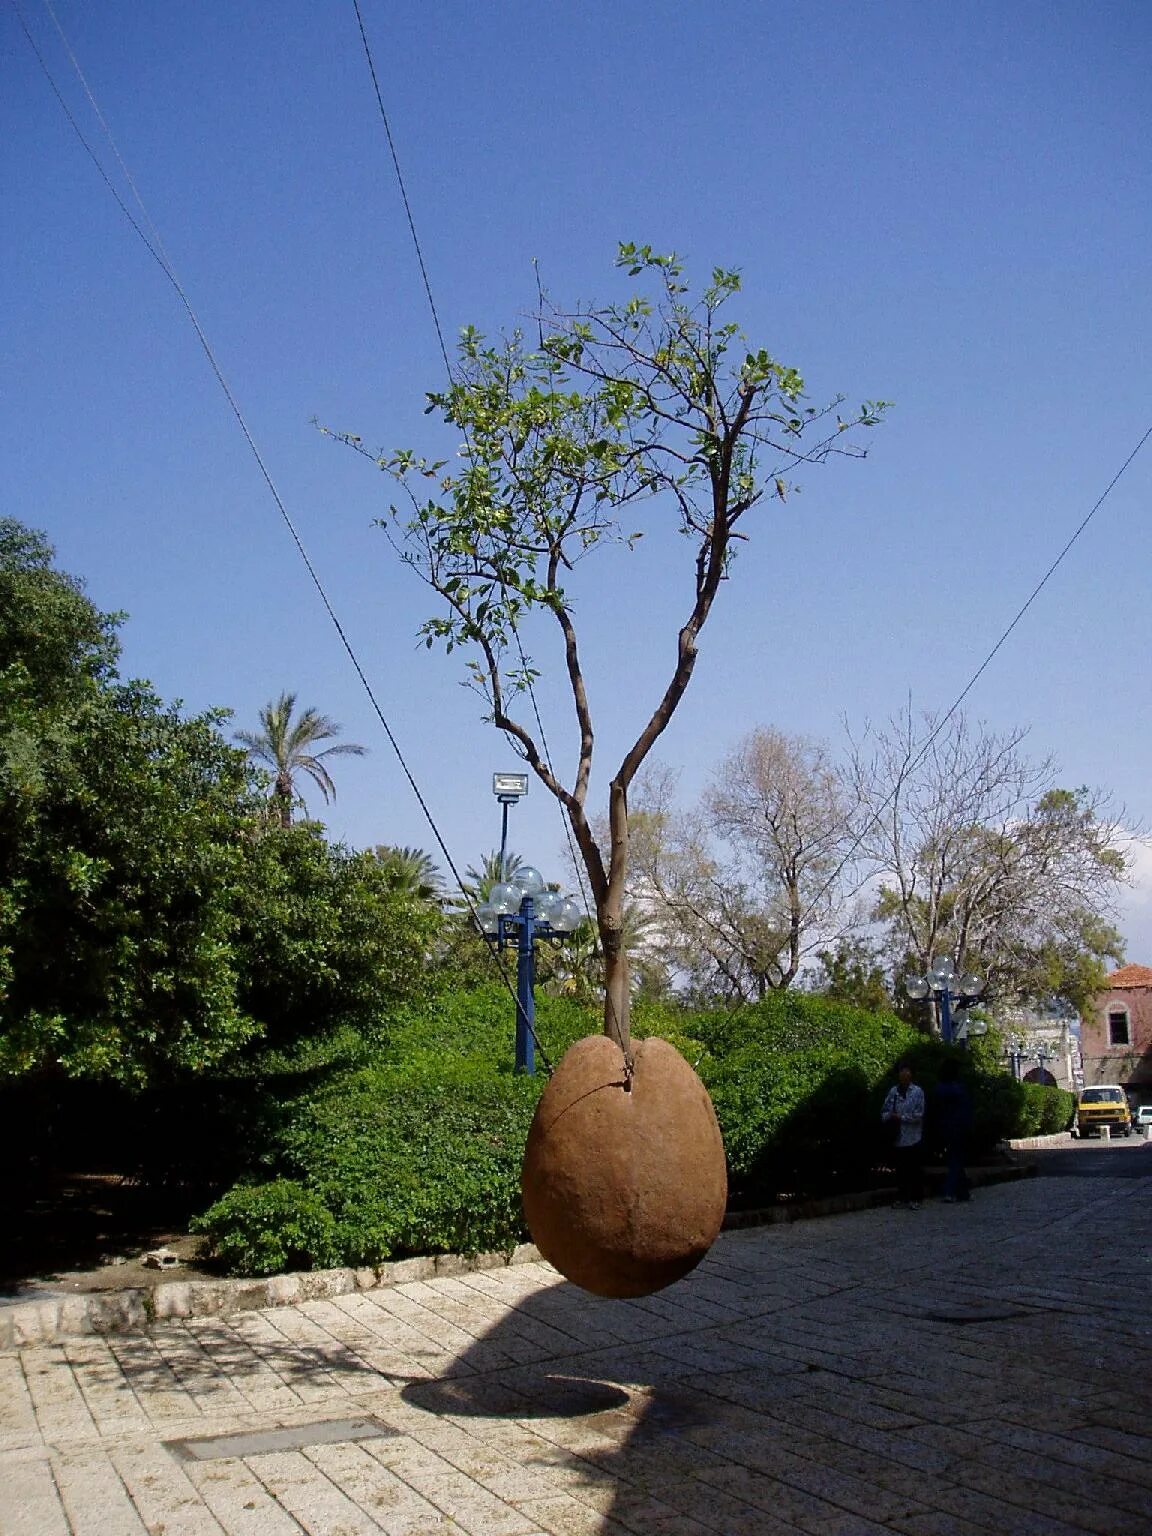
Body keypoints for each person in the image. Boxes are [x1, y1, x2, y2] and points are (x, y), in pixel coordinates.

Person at [882, 1062, 925, 1209]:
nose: (904, 1074)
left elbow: (919, 1114)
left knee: (914, 1169)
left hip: (913, 1137)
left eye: (907, 1071)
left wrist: (902, 1118)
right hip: (898, 1137)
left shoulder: (917, 1092)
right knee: (901, 1171)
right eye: (902, 1072)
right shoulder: (893, 1091)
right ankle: (902, 1197)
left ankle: (915, 1198)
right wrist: (891, 1116)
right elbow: (884, 1112)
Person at [933, 1058, 973, 1203]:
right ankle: (949, 1190)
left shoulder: (939, 1088)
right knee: (957, 1160)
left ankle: (963, 1192)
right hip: (959, 1127)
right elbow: (966, 1109)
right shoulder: (958, 1089)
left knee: (954, 1159)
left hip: (945, 1127)